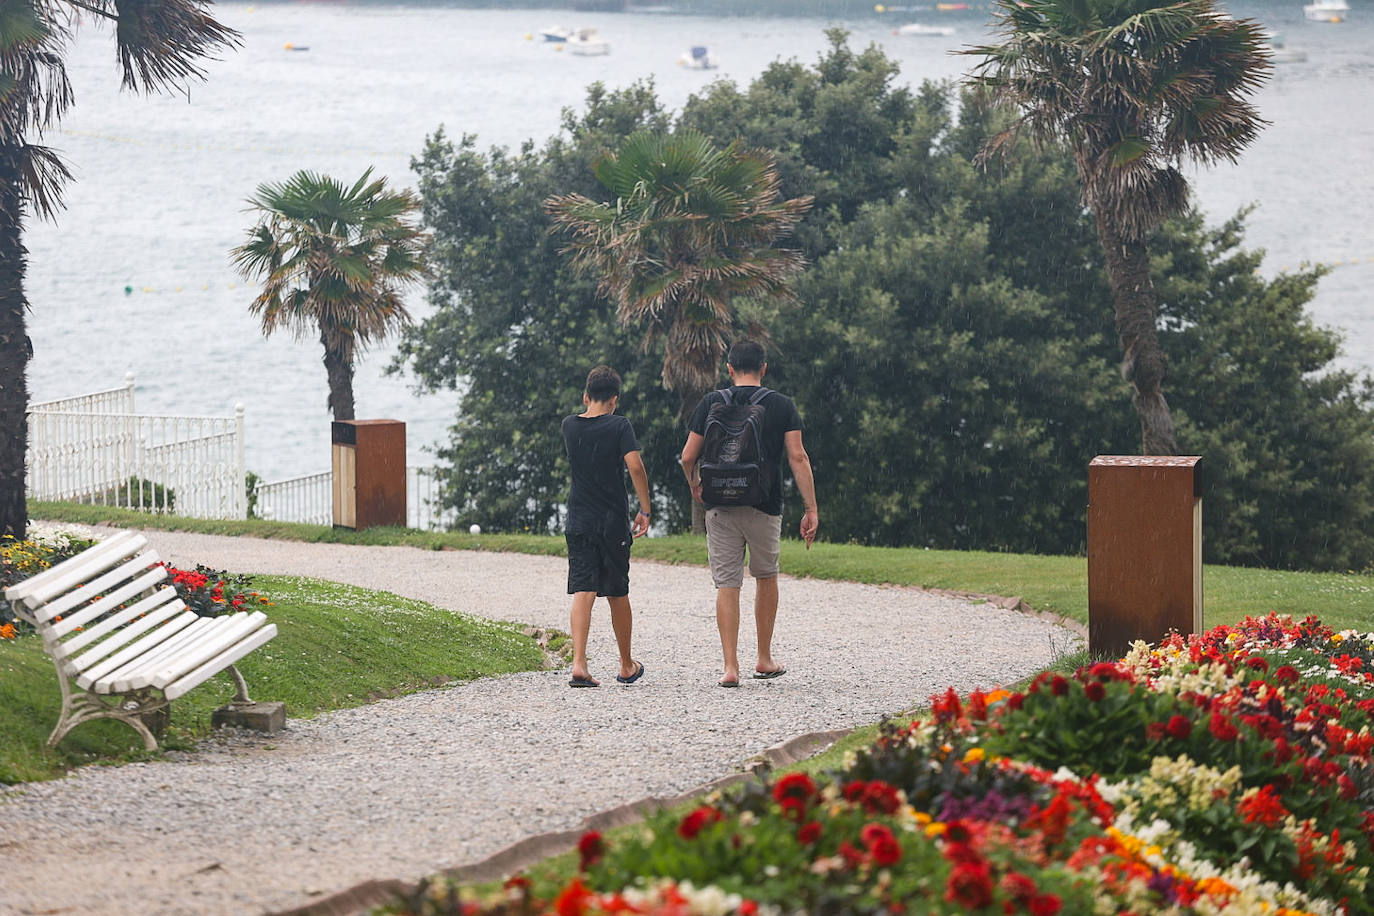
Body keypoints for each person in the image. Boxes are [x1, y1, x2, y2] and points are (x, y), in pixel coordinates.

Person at [679, 339, 819, 688]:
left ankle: (730, 667)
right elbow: (797, 457)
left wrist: (695, 483)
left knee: (727, 584)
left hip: (719, 506)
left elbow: (686, 456)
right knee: (766, 576)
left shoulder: (711, 402)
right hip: (764, 504)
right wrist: (811, 508)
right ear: (764, 368)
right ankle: (764, 657)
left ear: (729, 369)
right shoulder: (781, 405)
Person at [561, 365, 652, 687]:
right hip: (611, 520)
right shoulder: (619, 426)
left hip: (578, 518)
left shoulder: (569, 425)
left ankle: (579, 663)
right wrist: (645, 508)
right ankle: (626, 664)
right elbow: (635, 465)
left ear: (586, 396)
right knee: (617, 590)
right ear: (614, 399)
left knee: (583, 588)